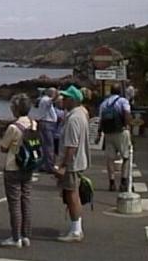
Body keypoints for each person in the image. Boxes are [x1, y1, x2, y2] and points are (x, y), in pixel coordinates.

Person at [0, 93, 36, 248]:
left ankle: (16, 238)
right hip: (28, 166)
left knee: (14, 203)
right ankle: (26, 235)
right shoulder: (34, 124)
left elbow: (3, 147)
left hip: (13, 166)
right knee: (25, 200)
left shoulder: (13, 127)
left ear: (15, 109)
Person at [55, 85, 91, 242]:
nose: (63, 100)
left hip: (73, 164)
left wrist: (62, 166)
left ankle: (76, 230)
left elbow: (71, 146)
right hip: (78, 161)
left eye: (66, 98)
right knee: (72, 193)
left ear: (73, 100)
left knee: (71, 194)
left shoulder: (74, 119)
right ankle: (75, 227)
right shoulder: (81, 113)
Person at [99, 83, 133, 192]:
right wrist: (127, 126)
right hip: (120, 131)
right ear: (120, 92)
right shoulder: (123, 101)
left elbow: (100, 120)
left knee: (110, 159)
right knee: (126, 157)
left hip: (108, 133)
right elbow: (127, 114)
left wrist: (100, 133)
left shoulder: (104, 103)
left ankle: (112, 182)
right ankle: (123, 181)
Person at [37, 87, 58, 172]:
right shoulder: (46, 100)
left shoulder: (43, 100)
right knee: (49, 146)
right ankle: (49, 166)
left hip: (45, 123)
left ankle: (43, 165)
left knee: (44, 145)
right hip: (47, 123)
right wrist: (58, 94)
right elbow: (53, 100)